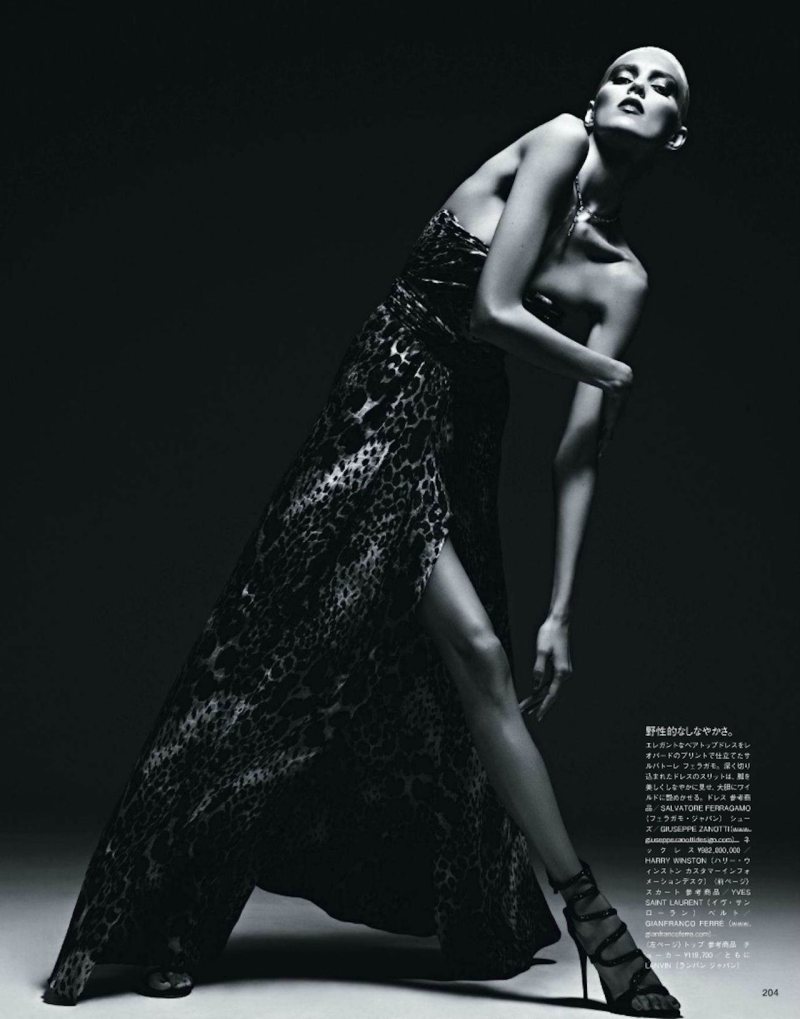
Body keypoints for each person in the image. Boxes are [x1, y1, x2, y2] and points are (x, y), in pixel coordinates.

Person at [44, 45, 687, 1017]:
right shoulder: (555, 141)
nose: (637, 86)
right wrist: (605, 371)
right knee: (325, 662)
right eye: (624, 73)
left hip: (465, 430)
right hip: (385, 402)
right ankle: (598, 924)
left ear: (675, 135)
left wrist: (562, 609)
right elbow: (491, 309)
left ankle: (189, 909)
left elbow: (576, 456)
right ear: (594, 100)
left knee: (424, 679)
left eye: (663, 85)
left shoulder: (621, 281)